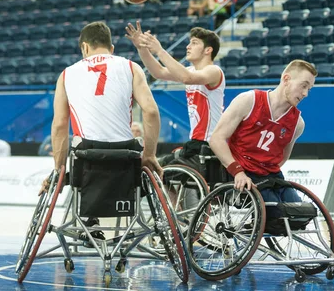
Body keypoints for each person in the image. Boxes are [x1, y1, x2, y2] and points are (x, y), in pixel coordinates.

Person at [39, 21, 162, 195]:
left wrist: (59, 170)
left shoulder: (67, 74)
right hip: (124, 154)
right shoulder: (131, 67)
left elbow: (60, 124)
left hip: (87, 156)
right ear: (111, 48)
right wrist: (149, 155)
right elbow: (151, 111)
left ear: (84, 47)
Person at [209, 60, 317, 203]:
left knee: (301, 210)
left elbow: (282, 158)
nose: (305, 94)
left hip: (271, 176)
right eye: (303, 86)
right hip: (242, 171)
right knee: (275, 211)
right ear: (286, 79)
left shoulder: (298, 123)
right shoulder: (248, 100)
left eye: (309, 89)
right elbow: (216, 138)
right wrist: (237, 172)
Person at [129, 24, 224, 168]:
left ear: (208, 50)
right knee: (157, 170)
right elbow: (158, 72)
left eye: (194, 43)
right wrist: (142, 49)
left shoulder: (214, 71)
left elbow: (187, 78)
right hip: (196, 142)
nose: (188, 46)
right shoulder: (191, 70)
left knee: (156, 169)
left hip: (209, 143)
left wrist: (160, 51)